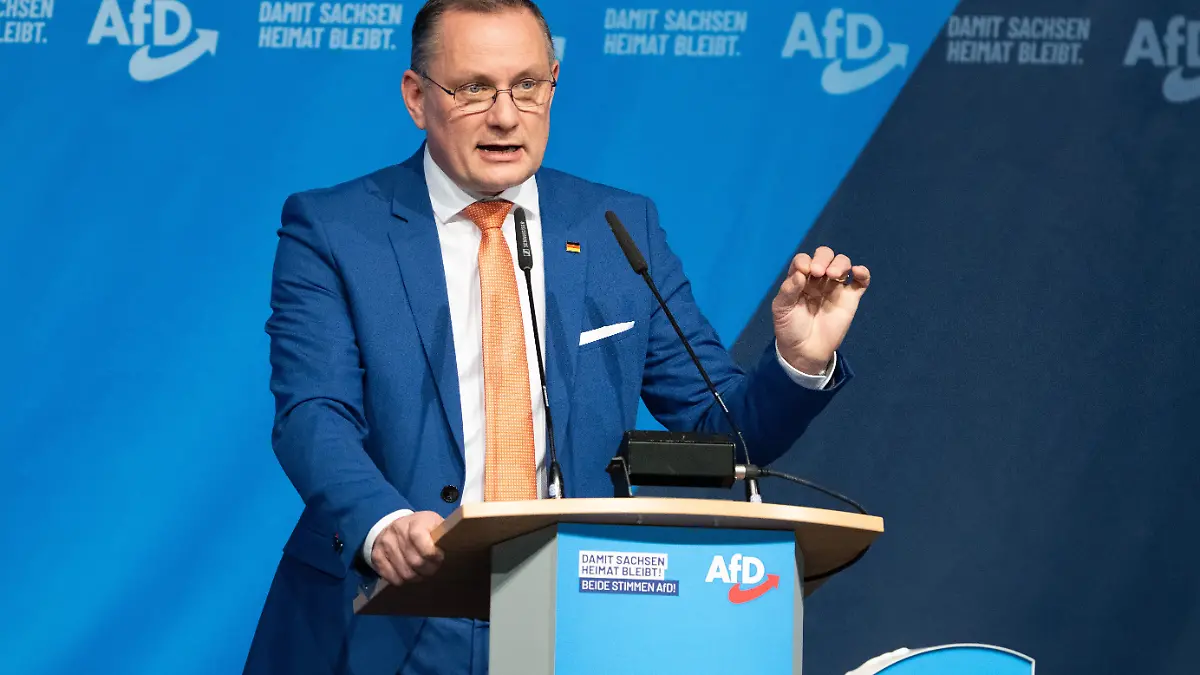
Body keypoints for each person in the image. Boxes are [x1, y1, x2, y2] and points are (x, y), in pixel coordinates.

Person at [243, 0, 871, 673]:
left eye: (528, 85)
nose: (507, 115)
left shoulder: (617, 228)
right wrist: (383, 523)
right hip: (385, 611)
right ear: (416, 97)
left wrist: (799, 361)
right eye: (474, 88)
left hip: (574, 619)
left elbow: (719, 431)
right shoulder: (336, 229)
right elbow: (313, 414)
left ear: (553, 83)